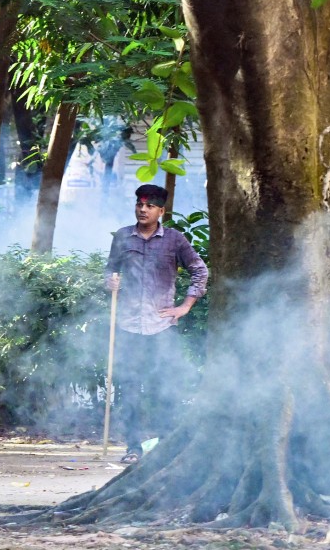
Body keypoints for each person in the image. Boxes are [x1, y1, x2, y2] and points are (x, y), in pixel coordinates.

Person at [104, 183, 208, 465]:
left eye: (149, 206)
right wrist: (109, 280)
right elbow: (110, 269)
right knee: (129, 388)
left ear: (161, 211)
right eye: (139, 204)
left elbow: (200, 270)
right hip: (128, 326)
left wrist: (185, 306)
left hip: (162, 327)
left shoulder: (175, 240)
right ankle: (133, 447)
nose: (143, 209)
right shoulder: (123, 237)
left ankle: (165, 445)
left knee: (164, 387)